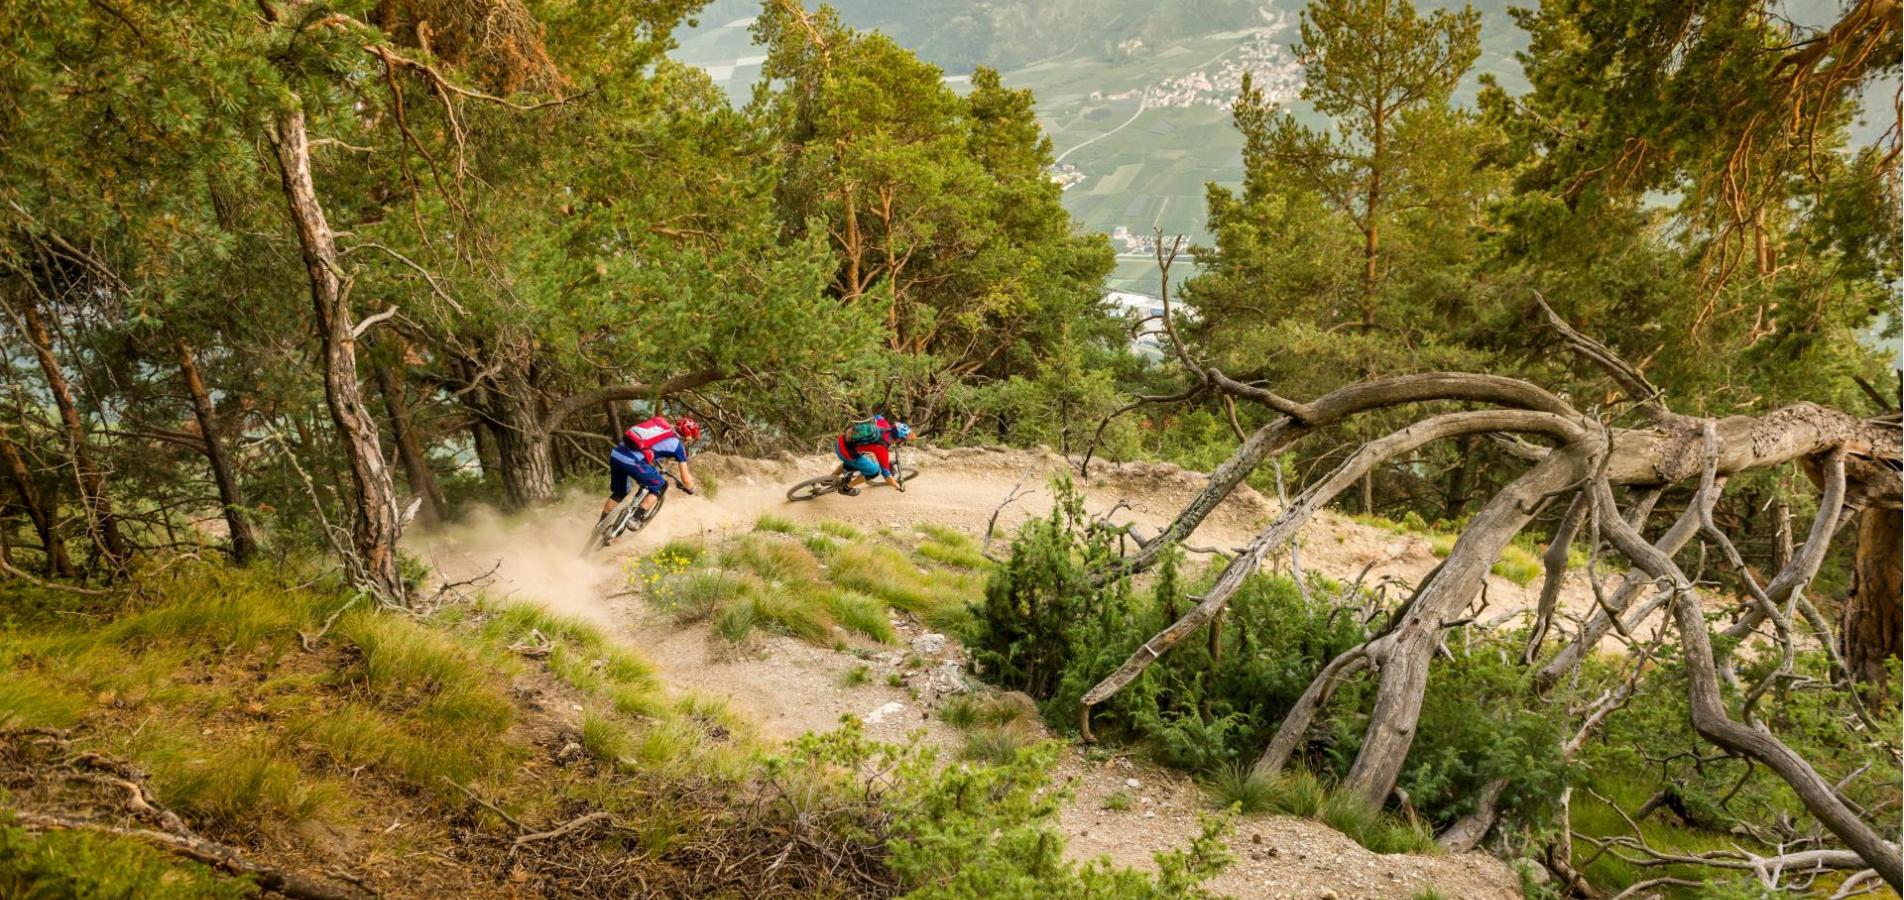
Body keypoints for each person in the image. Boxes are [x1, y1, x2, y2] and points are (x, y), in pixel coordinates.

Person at [601, 415, 701, 530]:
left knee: (619, 493)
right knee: (661, 485)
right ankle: (635, 518)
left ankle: (600, 527)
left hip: (617, 454)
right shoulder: (678, 447)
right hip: (632, 461)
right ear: (688, 437)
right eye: (693, 437)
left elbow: (650, 447)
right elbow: (686, 480)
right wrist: (690, 487)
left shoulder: (661, 426)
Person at [834, 415, 912, 496]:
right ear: (898, 439)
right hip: (844, 453)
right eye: (903, 440)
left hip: (840, 441)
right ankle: (846, 488)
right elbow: (887, 476)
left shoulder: (884, 424)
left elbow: (878, 416)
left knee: (858, 458)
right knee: (875, 471)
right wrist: (898, 486)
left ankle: (830, 478)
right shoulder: (882, 449)